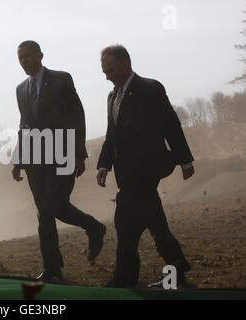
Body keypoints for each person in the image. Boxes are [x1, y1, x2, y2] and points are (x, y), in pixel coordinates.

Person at [96, 44, 195, 288]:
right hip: (126, 172)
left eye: (110, 70)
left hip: (147, 168)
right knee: (154, 223)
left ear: (125, 63)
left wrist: (184, 158)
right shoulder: (112, 97)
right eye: (104, 72)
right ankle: (177, 268)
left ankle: (125, 277)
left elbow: (170, 123)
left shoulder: (150, 88)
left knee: (125, 221)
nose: (107, 77)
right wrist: (104, 165)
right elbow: (112, 134)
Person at [12, 40, 106, 282]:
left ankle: (93, 228)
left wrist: (79, 153)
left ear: (40, 56)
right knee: (45, 212)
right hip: (35, 161)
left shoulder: (62, 79)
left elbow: (77, 115)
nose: (23, 61)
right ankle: (53, 267)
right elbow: (24, 124)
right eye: (20, 57)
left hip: (62, 155)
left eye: (27, 56)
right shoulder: (20, 89)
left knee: (54, 206)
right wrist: (18, 159)